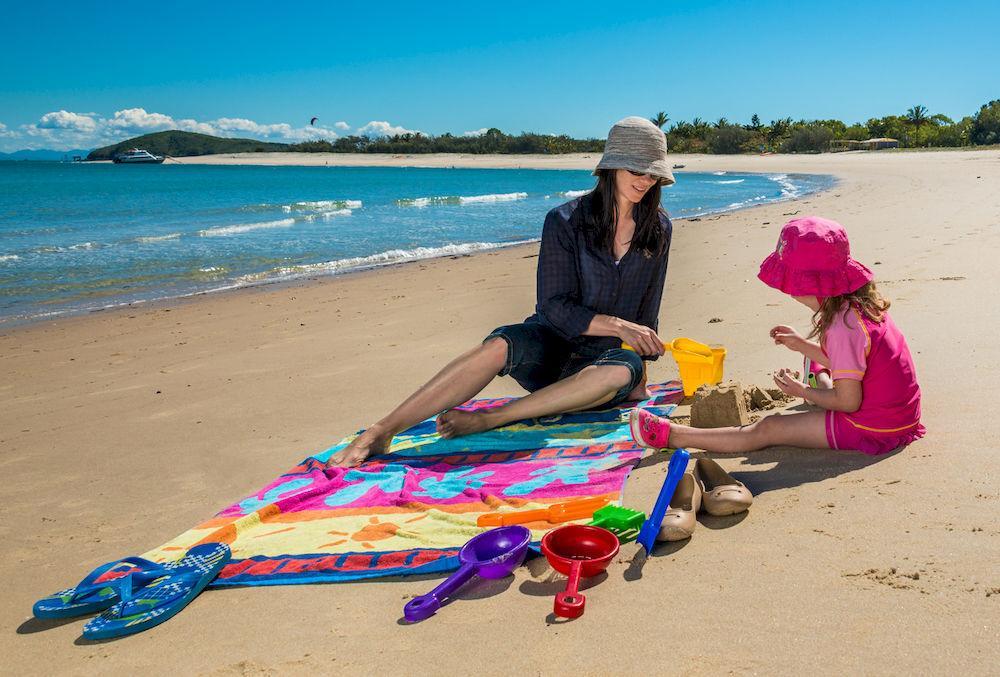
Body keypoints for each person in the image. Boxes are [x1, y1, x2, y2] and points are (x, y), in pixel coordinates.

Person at [327, 117, 676, 467]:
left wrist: (641, 373)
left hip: (600, 372)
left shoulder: (659, 228)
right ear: (613, 165)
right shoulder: (566, 220)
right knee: (500, 344)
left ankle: (493, 418)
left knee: (623, 368)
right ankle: (381, 431)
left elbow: (647, 311)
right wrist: (618, 325)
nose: (645, 180)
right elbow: (553, 307)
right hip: (550, 350)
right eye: (637, 169)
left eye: (653, 173)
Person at [630, 216, 924, 456]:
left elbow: (849, 402)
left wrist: (802, 393)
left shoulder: (842, 327)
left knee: (769, 428)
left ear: (804, 283)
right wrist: (801, 345)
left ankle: (673, 436)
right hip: (900, 412)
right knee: (826, 378)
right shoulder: (855, 307)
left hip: (876, 425)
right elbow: (859, 360)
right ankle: (818, 377)